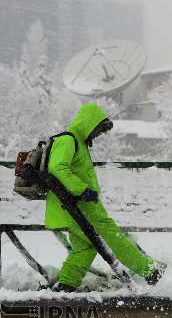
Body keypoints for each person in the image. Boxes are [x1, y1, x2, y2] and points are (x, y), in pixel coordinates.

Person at [45, 103, 163, 292]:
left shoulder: (77, 142)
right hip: (79, 206)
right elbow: (57, 167)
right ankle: (150, 271)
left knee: (85, 248)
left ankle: (66, 286)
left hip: (77, 206)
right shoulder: (68, 140)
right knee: (112, 237)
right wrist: (82, 189)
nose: (98, 135)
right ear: (88, 123)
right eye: (97, 130)